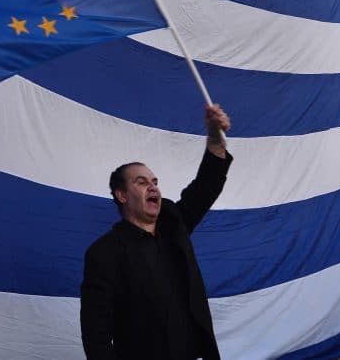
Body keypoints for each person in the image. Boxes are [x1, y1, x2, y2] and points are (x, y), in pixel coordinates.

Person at [80, 104, 232, 360]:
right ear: (122, 195)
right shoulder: (104, 253)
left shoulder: (175, 225)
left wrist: (215, 137)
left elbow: (207, 185)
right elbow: (96, 334)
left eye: (155, 182)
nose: (153, 187)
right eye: (141, 182)